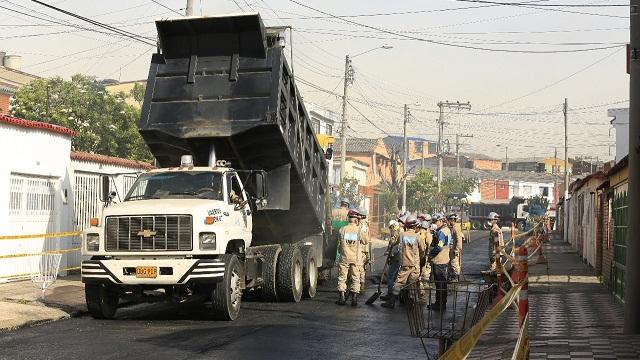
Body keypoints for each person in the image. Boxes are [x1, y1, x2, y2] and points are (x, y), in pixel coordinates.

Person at [381, 214, 422, 309]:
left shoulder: (402, 235)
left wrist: (390, 248)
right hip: (415, 265)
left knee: (399, 283)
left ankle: (392, 302)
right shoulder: (418, 237)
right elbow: (422, 250)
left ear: (407, 225)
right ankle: (410, 302)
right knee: (412, 283)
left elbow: (395, 244)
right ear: (415, 226)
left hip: (405, 263)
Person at [336, 209, 367, 306]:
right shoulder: (359, 230)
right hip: (356, 258)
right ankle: (354, 299)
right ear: (356, 219)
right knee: (355, 278)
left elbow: (339, 244)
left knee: (342, 278)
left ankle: (342, 298)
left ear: (348, 218)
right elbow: (365, 241)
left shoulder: (342, 229)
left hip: (344, 257)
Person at [428, 213, 451, 310]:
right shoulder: (447, 230)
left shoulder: (441, 232)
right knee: (442, 283)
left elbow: (439, 246)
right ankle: (441, 303)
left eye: (435, 222)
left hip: (439, 260)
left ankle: (439, 304)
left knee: (440, 283)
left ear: (441, 221)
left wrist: (431, 254)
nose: (434, 223)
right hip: (444, 259)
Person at [380, 220, 401, 301]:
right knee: (394, 277)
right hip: (395, 258)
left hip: (396, 259)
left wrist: (390, 253)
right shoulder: (396, 234)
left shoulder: (397, 234)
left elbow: (396, 247)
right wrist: (387, 251)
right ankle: (394, 294)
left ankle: (391, 294)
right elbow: (390, 246)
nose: (390, 229)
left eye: (391, 227)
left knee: (390, 277)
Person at [447, 213, 465, 282]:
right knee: (451, 263)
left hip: (454, 249)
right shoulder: (453, 227)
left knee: (454, 263)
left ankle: (455, 277)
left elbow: (459, 239)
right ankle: (452, 276)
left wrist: (457, 250)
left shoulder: (456, 227)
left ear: (453, 220)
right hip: (452, 248)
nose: (449, 222)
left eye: (449, 220)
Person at [358, 208, 370, 291]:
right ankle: (361, 285)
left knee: (360, 268)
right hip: (365, 249)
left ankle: (360, 286)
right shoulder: (366, 224)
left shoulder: (361, 224)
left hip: (361, 249)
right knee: (363, 268)